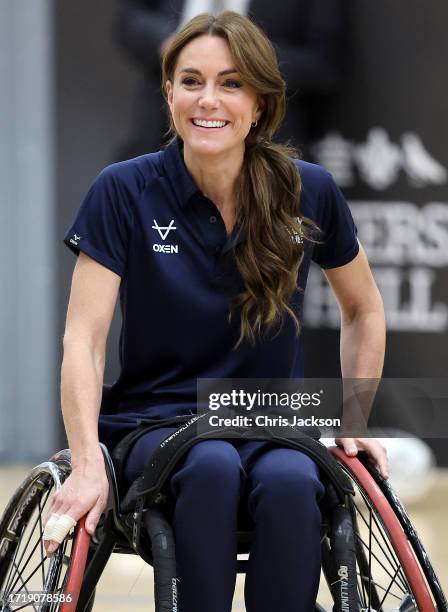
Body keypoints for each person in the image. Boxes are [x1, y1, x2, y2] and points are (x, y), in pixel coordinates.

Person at [45, 11, 388, 612]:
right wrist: (85, 463)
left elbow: (363, 309)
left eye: (231, 83)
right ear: (169, 94)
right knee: (209, 465)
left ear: (260, 104)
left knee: (292, 481)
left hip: (269, 419)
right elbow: (84, 337)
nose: (209, 100)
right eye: (192, 81)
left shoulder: (309, 191)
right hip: (156, 423)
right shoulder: (123, 189)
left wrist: (354, 417)